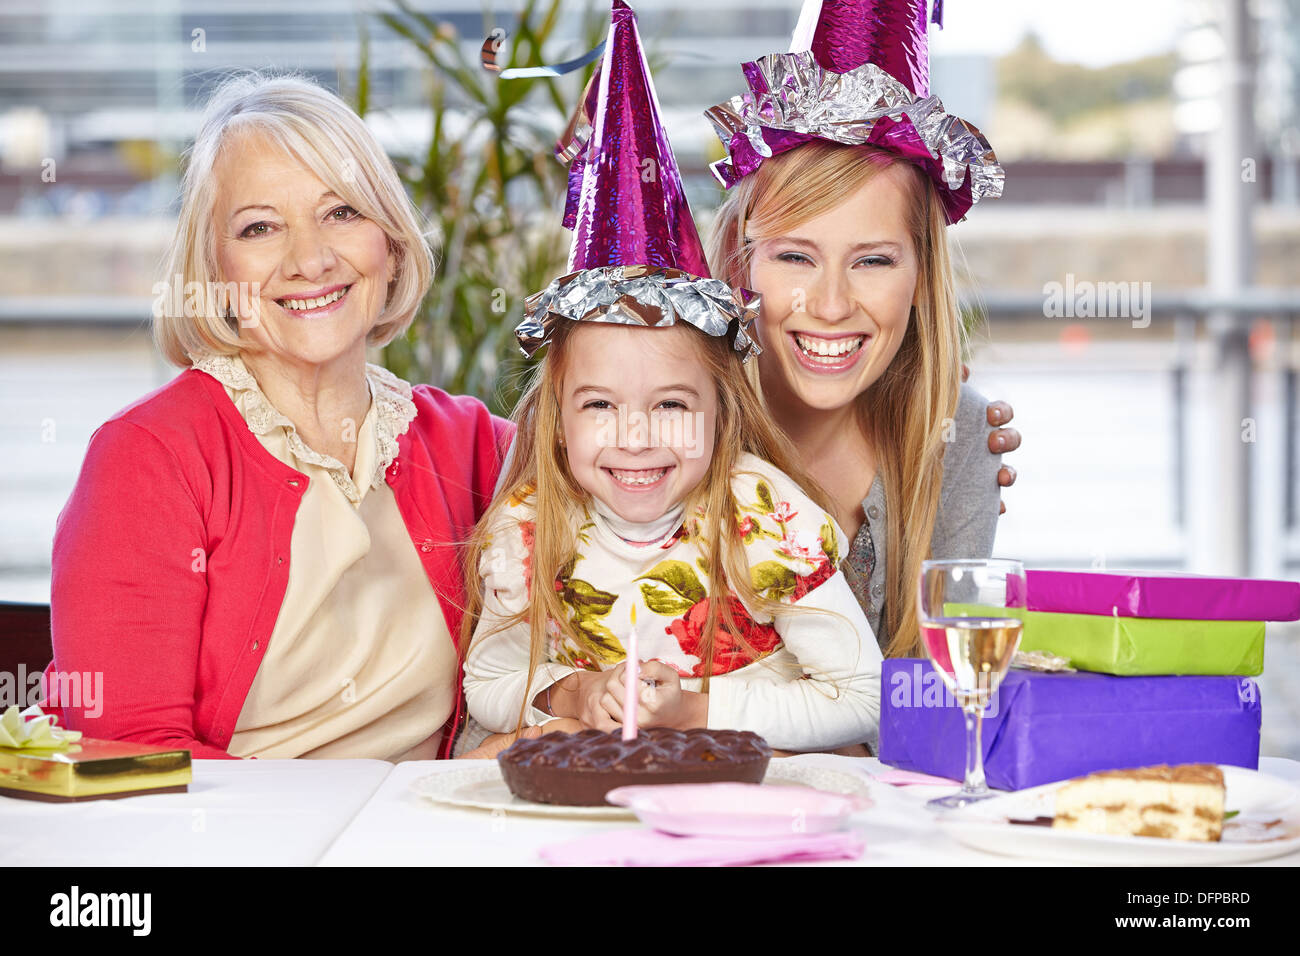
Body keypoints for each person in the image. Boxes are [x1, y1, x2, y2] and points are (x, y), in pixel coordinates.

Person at [46, 73, 510, 760]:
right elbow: (128, 756)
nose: (310, 259)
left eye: (342, 213)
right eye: (259, 227)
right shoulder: (148, 456)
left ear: (391, 243)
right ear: (214, 268)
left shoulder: (468, 442)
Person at [461, 0, 881, 754]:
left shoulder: (763, 519)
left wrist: (695, 710)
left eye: (671, 404)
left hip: (743, 798)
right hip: (597, 801)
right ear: (557, 411)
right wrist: (570, 690)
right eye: (599, 404)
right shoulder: (531, 526)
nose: (635, 435)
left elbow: (864, 697)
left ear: (722, 407)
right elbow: (485, 679)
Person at [705, 0, 1016, 657]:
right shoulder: (666, 426)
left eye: (872, 261)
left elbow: (941, 703)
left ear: (921, 276)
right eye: (795, 257)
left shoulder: (956, 440)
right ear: (742, 258)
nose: (831, 303)